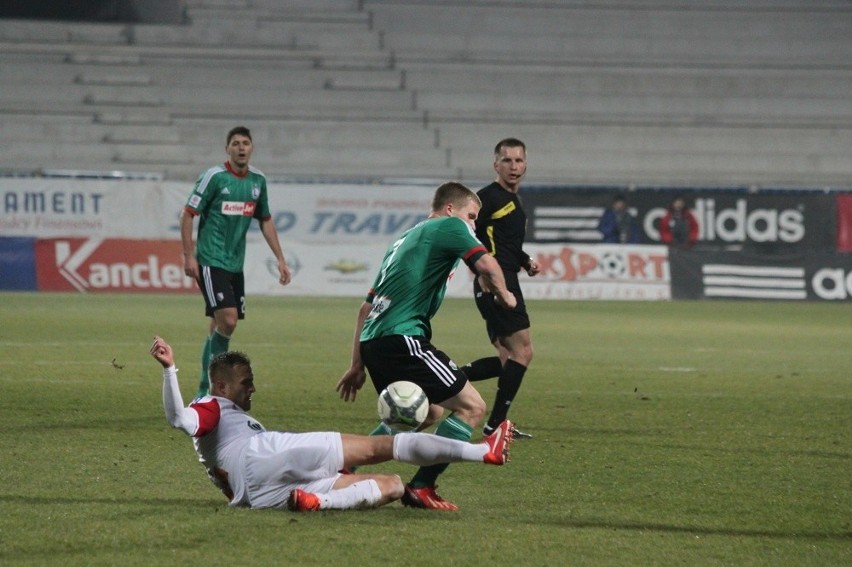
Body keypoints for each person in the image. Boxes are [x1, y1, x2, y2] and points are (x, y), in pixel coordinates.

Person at [149, 336, 514, 512]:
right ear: (222, 386)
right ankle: (483, 451)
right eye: (246, 383)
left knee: (391, 486)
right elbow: (180, 419)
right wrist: (170, 370)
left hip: (258, 496)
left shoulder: (231, 419)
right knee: (379, 448)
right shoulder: (211, 404)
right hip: (265, 455)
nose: (253, 388)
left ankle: (318, 501)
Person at [336, 181, 517, 511]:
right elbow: (487, 264)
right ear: (451, 210)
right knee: (472, 407)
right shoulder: (448, 225)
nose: (473, 225)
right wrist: (506, 296)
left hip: (375, 341)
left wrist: (357, 364)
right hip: (401, 337)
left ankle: (345, 466)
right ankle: (422, 486)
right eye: (471, 216)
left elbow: (366, 307)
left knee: (427, 410)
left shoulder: (403, 239)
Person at [180, 126, 291, 399]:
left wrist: (280, 258)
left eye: (245, 143)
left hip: (234, 265)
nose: (241, 147)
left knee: (218, 325)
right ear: (227, 149)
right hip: (210, 259)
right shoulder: (214, 177)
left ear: (251, 148)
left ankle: (203, 389)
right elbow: (188, 214)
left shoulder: (257, 181)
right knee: (228, 322)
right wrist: (188, 255)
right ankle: (210, 390)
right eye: (236, 143)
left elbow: (265, 219)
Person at [461, 138, 540, 440]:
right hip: (497, 283)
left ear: (525, 165)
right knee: (523, 352)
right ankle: (495, 425)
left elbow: (505, 245)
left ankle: (452, 377)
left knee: (508, 359)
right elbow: (466, 237)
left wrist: (525, 259)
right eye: (507, 160)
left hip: (501, 279)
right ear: (496, 165)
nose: (513, 166)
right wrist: (481, 273)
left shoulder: (513, 202)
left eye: (518, 160)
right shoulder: (486, 199)